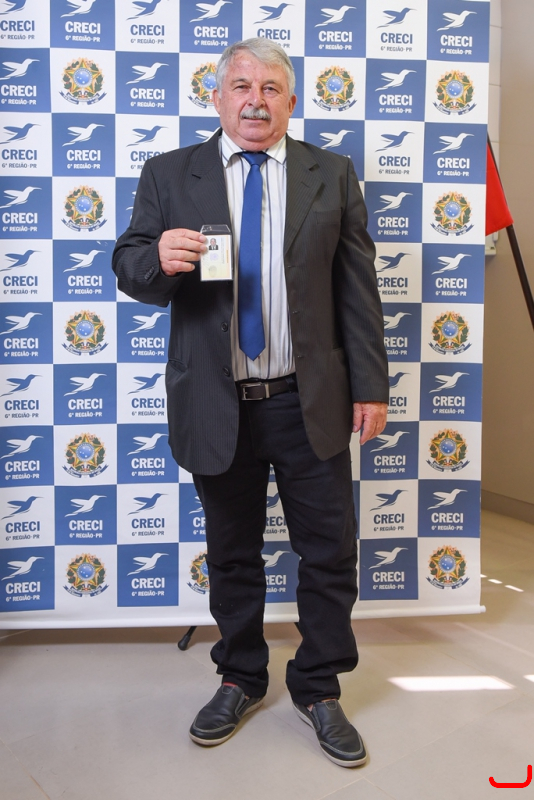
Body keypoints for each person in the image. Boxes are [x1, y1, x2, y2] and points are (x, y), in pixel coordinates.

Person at [113, 37, 389, 768]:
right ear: (218, 98)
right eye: (241, 86)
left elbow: (357, 290)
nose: (256, 101)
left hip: (309, 401)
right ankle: (239, 676)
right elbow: (130, 266)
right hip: (217, 402)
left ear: (291, 101)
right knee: (232, 554)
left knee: (328, 552)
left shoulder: (332, 174)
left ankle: (318, 686)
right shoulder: (171, 173)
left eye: (271, 88)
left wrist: (371, 386)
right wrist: (156, 260)